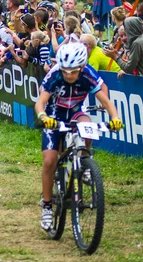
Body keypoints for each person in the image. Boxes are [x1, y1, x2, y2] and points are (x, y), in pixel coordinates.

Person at [34, 42, 123, 231]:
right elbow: (41, 101)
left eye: (73, 71)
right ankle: (47, 206)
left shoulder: (88, 74)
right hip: (53, 114)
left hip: (75, 112)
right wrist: (43, 116)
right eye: (65, 71)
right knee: (50, 161)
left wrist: (115, 118)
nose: (68, 75)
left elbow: (106, 100)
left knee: (87, 125)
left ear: (82, 67)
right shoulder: (55, 73)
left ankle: (85, 160)